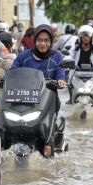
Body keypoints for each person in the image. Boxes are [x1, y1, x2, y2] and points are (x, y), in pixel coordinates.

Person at [11, 24, 66, 157]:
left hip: (48, 100)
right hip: (24, 99)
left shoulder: (57, 56)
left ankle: (49, 151)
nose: (43, 43)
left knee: (48, 132)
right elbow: (12, 71)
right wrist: (1, 79)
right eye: (40, 40)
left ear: (51, 41)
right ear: (35, 40)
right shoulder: (24, 56)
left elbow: (60, 70)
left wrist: (61, 80)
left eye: (46, 40)